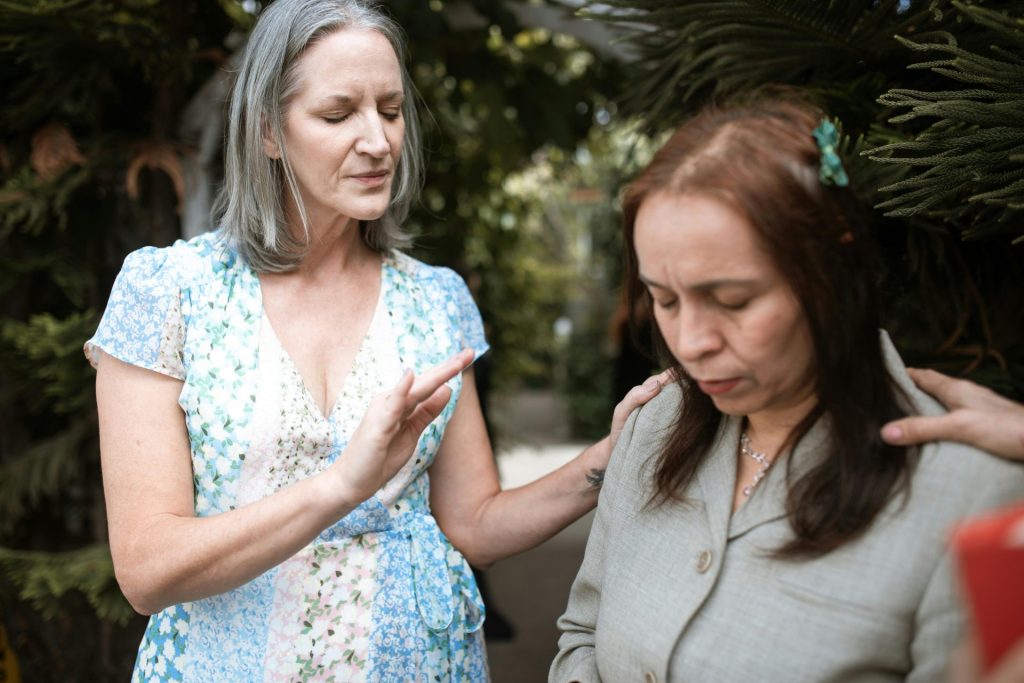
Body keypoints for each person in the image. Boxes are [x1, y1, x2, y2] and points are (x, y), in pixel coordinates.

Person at [84, 1, 665, 680]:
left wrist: (608, 459)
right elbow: (147, 569)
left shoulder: (435, 297)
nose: (379, 140)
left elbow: (473, 521)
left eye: (390, 110)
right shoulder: (170, 292)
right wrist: (341, 485)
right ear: (269, 131)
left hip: (419, 662)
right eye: (339, 114)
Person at [549, 95, 1024, 683]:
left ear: (831, 272)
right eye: (665, 300)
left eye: (733, 301)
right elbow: (582, 635)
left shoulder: (972, 494)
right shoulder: (655, 424)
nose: (691, 341)